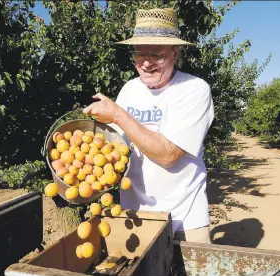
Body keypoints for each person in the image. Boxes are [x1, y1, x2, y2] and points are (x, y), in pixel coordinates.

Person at [83, 7, 214, 243]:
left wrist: (118, 115)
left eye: (156, 55)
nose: (146, 63)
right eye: (139, 54)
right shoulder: (130, 89)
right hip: (135, 217)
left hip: (183, 219)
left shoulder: (194, 90)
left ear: (175, 53)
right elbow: (117, 147)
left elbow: (168, 154)